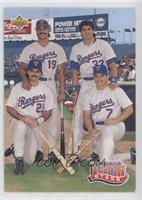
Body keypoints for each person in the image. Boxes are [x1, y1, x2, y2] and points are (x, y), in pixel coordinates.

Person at [18, 19, 67, 154]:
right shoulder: (29, 48)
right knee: (35, 117)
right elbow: (22, 67)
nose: (42, 30)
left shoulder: (57, 48)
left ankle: (51, 150)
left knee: (52, 119)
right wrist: (24, 79)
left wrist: (62, 92)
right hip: (34, 84)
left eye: (44, 28)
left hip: (50, 83)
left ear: (49, 30)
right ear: (36, 31)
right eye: (39, 28)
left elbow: (61, 71)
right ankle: (38, 150)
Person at [70, 20, 118, 153]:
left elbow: (112, 65)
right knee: (78, 117)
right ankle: (76, 151)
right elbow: (74, 72)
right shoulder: (76, 48)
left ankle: (98, 151)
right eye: (84, 29)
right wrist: (75, 90)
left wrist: (113, 79)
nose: (86, 31)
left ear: (93, 30)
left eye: (88, 29)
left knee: (100, 116)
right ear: (81, 32)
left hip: (101, 82)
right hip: (84, 82)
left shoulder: (103, 44)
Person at [6, 60, 57, 175]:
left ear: (41, 74)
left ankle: (16, 147)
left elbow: (48, 111)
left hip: (34, 125)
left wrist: (38, 121)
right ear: (28, 72)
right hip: (18, 120)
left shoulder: (46, 90)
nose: (34, 73)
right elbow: (9, 108)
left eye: (37, 71)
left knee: (30, 160)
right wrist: (22, 118)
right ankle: (18, 161)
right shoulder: (18, 87)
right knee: (21, 126)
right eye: (32, 71)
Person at [83, 64, 136, 164]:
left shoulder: (115, 90)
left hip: (116, 126)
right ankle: (130, 155)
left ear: (107, 76)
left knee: (108, 131)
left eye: (102, 76)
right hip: (98, 129)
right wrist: (90, 130)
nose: (99, 79)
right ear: (93, 77)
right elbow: (86, 114)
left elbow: (129, 109)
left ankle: (104, 165)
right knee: (97, 158)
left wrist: (114, 121)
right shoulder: (88, 94)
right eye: (96, 76)